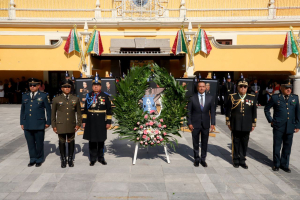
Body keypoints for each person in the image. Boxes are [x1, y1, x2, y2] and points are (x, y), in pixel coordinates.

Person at [264, 79, 300, 173]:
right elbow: (266, 109)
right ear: (282, 88)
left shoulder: (295, 98)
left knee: (287, 147)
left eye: (290, 88)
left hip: (290, 126)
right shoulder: (276, 97)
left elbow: (297, 113)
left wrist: (297, 125)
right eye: (287, 88)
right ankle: (276, 164)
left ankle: (285, 164)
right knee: (277, 146)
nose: (289, 90)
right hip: (278, 126)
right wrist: (271, 120)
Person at [226, 78, 257, 169]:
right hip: (235, 123)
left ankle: (243, 160)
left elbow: (254, 111)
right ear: (237, 87)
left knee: (244, 142)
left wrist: (253, 123)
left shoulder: (252, 97)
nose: (243, 88)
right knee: (236, 142)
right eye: (241, 86)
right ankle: (235, 160)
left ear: (247, 88)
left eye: (245, 87)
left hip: (247, 124)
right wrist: (228, 122)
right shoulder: (232, 97)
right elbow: (228, 110)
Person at [20, 78, 51, 167]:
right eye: (30, 85)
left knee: (39, 142)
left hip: (39, 123)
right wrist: (22, 122)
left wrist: (48, 121)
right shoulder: (25, 96)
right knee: (30, 143)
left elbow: (48, 110)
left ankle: (39, 159)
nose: (32, 87)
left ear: (38, 86)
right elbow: (22, 110)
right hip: (28, 123)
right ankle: (32, 159)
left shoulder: (44, 96)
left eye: (34, 85)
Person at [51, 79, 82, 168]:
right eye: (65, 87)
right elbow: (53, 114)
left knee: (71, 140)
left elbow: (79, 113)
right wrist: (54, 125)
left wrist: (78, 124)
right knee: (61, 141)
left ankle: (70, 159)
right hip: (60, 124)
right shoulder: (56, 99)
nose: (67, 88)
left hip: (72, 124)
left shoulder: (75, 99)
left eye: (69, 87)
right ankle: (63, 159)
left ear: (71, 88)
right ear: (62, 88)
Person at [82, 77, 112, 166]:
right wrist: (84, 121)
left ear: (100, 86)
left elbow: (109, 110)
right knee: (92, 140)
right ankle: (93, 159)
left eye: (97, 85)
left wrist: (108, 122)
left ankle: (101, 158)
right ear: (92, 86)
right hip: (91, 121)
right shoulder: (88, 96)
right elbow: (85, 110)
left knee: (101, 139)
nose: (96, 87)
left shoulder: (105, 96)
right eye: (94, 85)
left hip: (101, 120)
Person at [187, 81, 216, 167]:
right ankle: (196, 159)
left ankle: (203, 159)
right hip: (195, 124)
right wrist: (189, 123)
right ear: (197, 87)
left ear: (206, 88)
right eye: (200, 86)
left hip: (206, 124)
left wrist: (213, 123)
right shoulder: (192, 98)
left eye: (203, 86)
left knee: (204, 142)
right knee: (195, 142)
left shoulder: (210, 98)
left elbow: (213, 112)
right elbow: (188, 112)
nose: (202, 88)